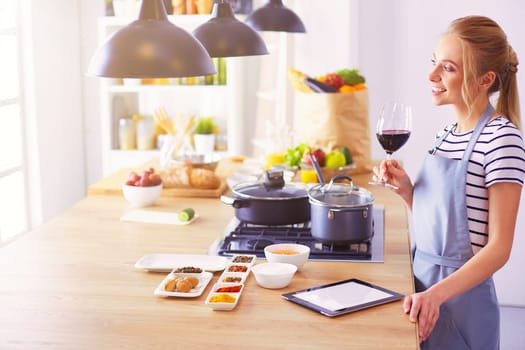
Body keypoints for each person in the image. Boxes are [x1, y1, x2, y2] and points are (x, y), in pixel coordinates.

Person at [373, 16, 525, 349]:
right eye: (434, 63)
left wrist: (436, 296)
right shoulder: (446, 135)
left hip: (460, 302)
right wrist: (407, 191)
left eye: (448, 68)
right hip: (421, 290)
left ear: (485, 79)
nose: (431, 76)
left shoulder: (502, 139)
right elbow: (443, 224)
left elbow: (499, 248)